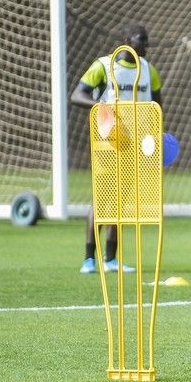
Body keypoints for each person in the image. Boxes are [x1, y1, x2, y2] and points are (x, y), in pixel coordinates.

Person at [71, 24, 162, 275]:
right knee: (102, 199)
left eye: (146, 41)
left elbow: (157, 107)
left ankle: (111, 259)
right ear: (125, 40)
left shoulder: (148, 70)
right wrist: (103, 107)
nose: (145, 46)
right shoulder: (103, 66)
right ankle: (89, 258)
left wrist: (155, 139)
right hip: (107, 143)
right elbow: (77, 95)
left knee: (122, 202)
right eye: (140, 40)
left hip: (136, 144)